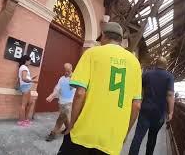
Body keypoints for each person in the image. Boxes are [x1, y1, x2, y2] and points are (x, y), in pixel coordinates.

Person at [58, 22, 142, 155]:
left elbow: (80, 93)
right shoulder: (135, 63)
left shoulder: (92, 53)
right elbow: (136, 105)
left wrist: (72, 124)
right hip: (112, 139)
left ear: (103, 35)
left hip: (84, 133)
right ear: (120, 40)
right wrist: (124, 135)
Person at [129, 56, 175, 155]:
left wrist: (137, 101)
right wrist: (171, 112)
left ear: (156, 64)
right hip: (159, 113)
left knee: (138, 137)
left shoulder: (146, 74)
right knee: (152, 138)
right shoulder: (169, 76)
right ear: (166, 66)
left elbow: (138, 89)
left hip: (145, 110)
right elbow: (170, 95)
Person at [45, 63, 76, 141]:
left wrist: (72, 77)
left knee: (61, 118)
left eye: (68, 71)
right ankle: (70, 131)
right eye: (65, 71)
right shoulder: (61, 78)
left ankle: (53, 133)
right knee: (65, 117)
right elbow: (57, 89)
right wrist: (51, 96)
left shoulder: (75, 77)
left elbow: (73, 87)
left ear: (71, 69)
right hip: (61, 102)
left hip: (69, 102)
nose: (66, 73)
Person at [17, 55, 38, 127]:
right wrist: (33, 81)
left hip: (26, 87)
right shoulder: (24, 67)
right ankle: (21, 121)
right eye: (29, 60)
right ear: (26, 60)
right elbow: (24, 78)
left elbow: (25, 78)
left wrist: (31, 78)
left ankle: (25, 120)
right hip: (25, 87)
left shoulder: (23, 67)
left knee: (30, 102)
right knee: (23, 105)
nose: (30, 62)